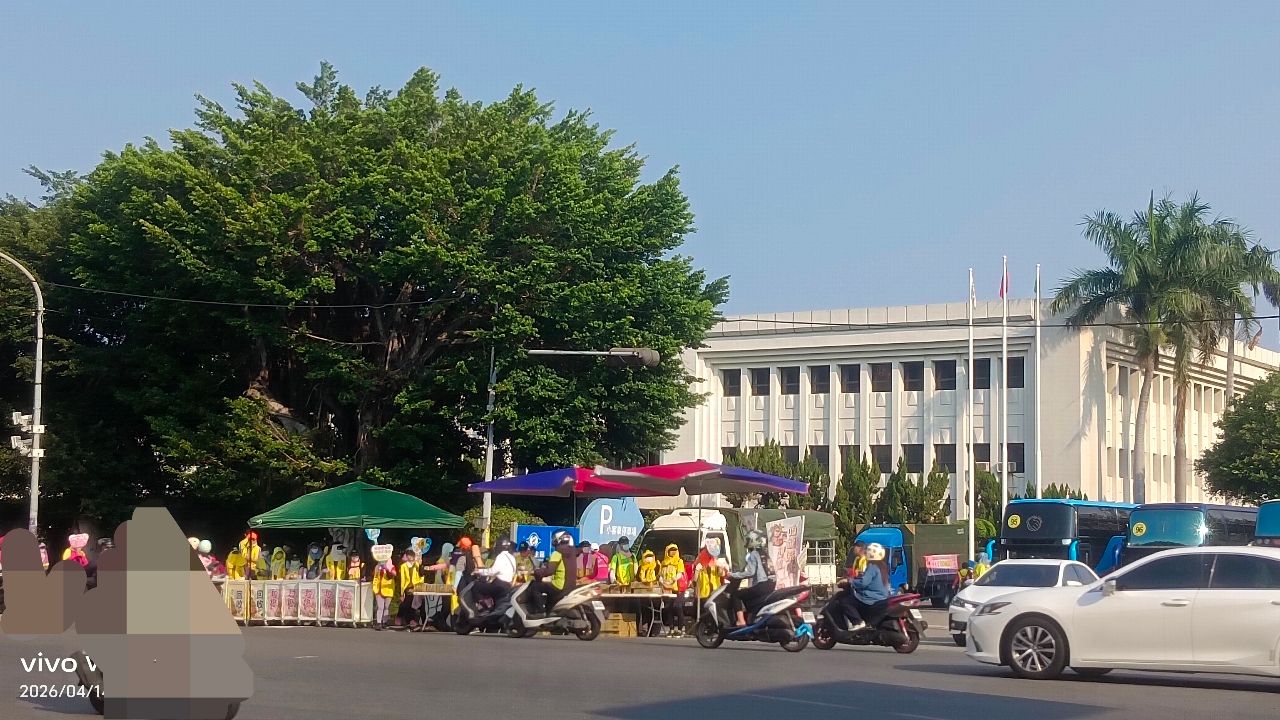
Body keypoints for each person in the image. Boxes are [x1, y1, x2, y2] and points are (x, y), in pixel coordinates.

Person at [729, 530, 775, 626]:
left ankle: (741, 621)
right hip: (771, 584)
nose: (747, 542)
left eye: (749, 540)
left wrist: (733, 575)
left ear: (754, 541)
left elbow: (751, 572)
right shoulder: (765, 553)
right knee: (748, 595)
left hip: (762, 585)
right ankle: (752, 618)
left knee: (736, 595)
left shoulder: (754, 554)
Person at [843, 542, 892, 632]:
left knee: (845, 602)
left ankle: (858, 622)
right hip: (882, 596)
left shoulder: (872, 566)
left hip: (871, 597)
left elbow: (863, 582)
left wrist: (850, 581)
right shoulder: (883, 566)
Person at [473, 537, 517, 609]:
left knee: (476, 586)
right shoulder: (512, 557)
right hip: (508, 585)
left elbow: (492, 571)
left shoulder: (501, 557)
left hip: (499, 585)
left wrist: (479, 571)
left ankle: (485, 605)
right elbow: (514, 571)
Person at [658, 544, 689, 636]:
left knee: (678, 607)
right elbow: (660, 575)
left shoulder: (679, 561)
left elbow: (680, 573)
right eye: (671, 550)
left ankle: (680, 629)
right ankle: (671, 629)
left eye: (674, 550)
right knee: (668, 608)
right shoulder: (663, 562)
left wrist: (674, 579)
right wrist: (662, 581)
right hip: (666, 589)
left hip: (678, 589)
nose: (673, 552)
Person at [397, 549, 425, 630]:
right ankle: (405, 619)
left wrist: (420, 585)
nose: (410, 557)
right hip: (408, 587)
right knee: (407, 602)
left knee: (416, 603)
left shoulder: (417, 564)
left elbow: (421, 576)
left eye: (412, 555)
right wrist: (402, 593)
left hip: (417, 586)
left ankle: (412, 620)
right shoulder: (403, 566)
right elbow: (403, 580)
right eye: (408, 555)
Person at [371, 554, 397, 630]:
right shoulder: (377, 567)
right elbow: (374, 575)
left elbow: (394, 574)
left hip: (388, 590)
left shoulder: (392, 567)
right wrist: (379, 569)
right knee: (380, 607)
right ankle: (379, 623)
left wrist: (387, 569)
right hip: (379, 589)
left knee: (386, 607)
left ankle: (384, 622)